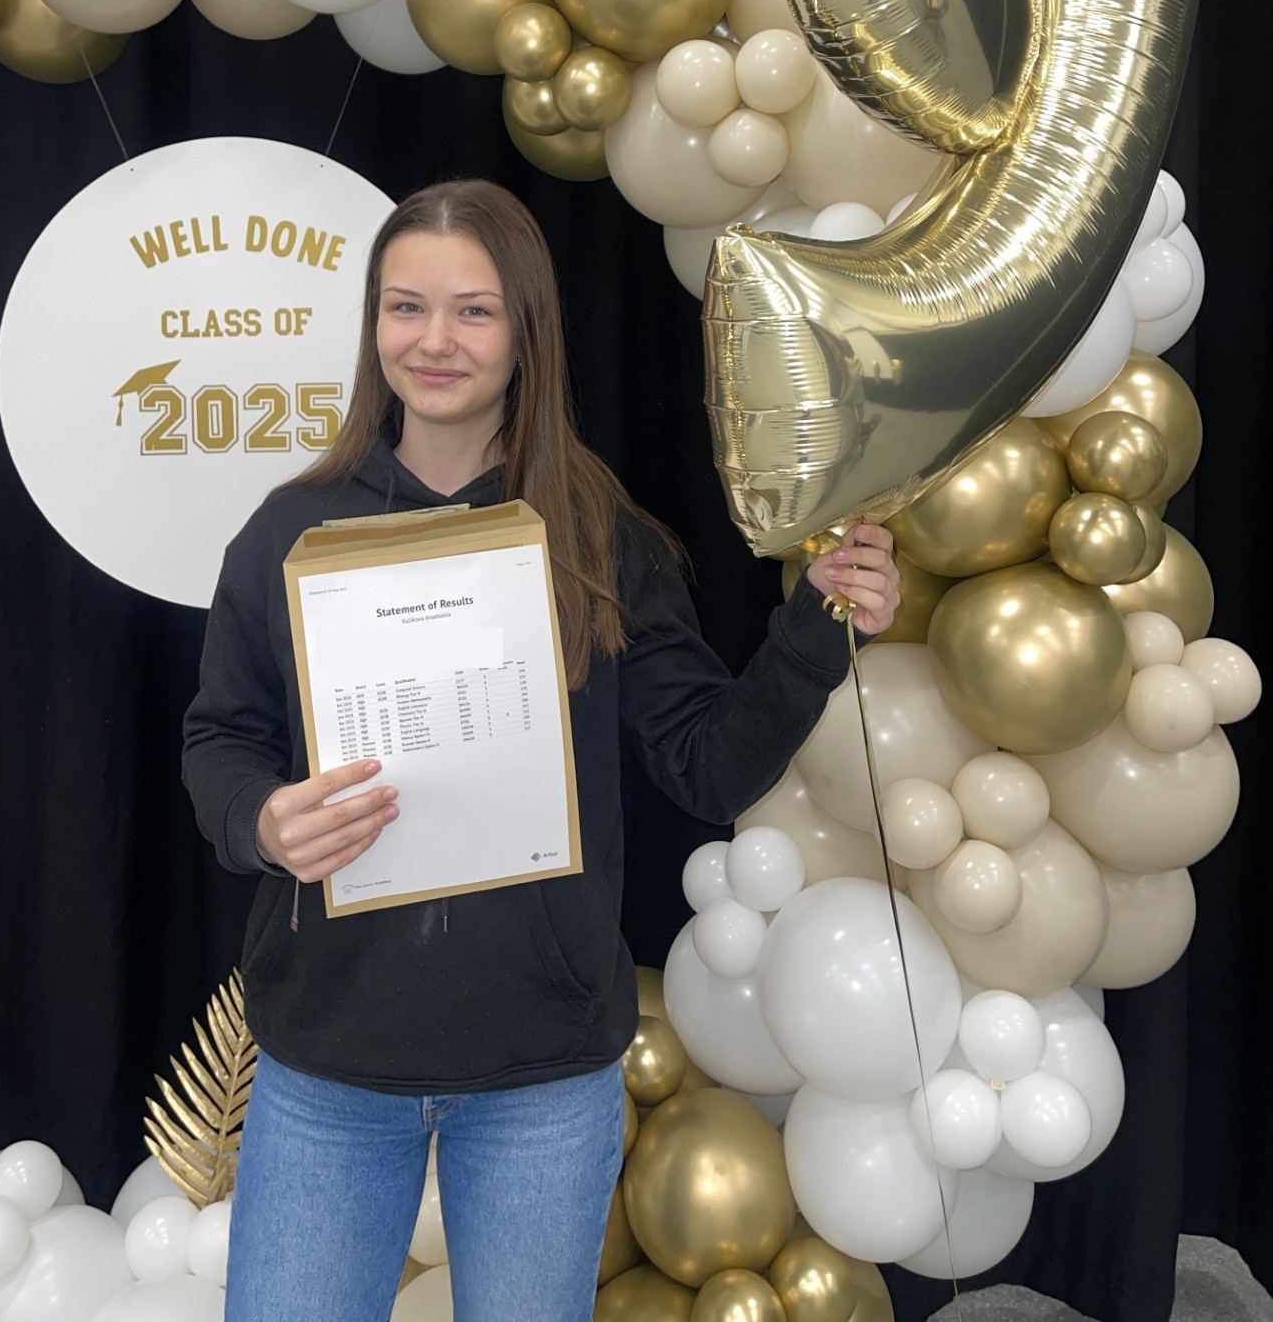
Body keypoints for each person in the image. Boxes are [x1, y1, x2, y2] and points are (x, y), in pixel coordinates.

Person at [182, 179, 899, 1322]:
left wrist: (818, 627)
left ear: (526, 332)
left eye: (473, 311)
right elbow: (223, 737)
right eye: (406, 307)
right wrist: (261, 820)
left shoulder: (601, 538)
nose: (434, 340)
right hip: (329, 1064)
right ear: (373, 325)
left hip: (542, 1074)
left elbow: (707, 765)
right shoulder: (286, 531)